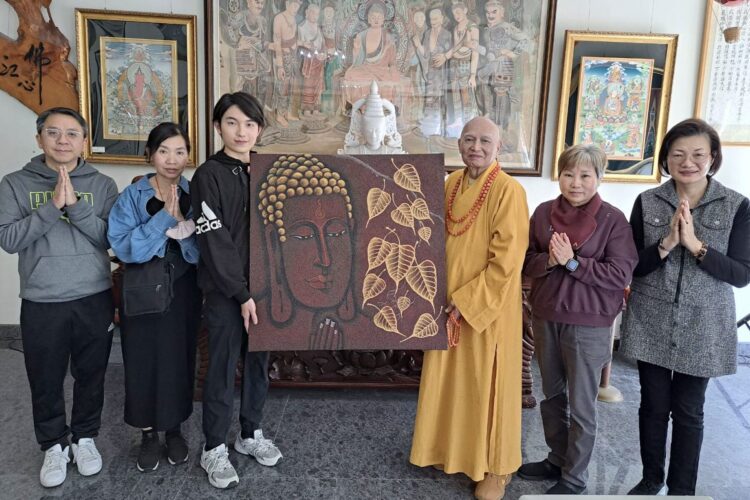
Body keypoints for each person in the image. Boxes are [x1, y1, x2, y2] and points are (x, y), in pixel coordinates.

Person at [620, 118, 750, 496]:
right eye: (677, 154)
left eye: (697, 154)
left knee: (689, 411)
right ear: (665, 159)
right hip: (651, 318)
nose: (687, 162)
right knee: (653, 406)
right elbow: (632, 266)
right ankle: (650, 479)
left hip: (704, 324)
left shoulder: (738, 206)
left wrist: (695, 245)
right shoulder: (647, 201)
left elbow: (741, 274)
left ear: (713, 157)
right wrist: (666, 244)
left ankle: (682, 490)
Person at [410, 116, 529, 500]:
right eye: (468, 140)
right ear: (459, 144)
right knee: (451, 382)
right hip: (446, 303)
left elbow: (507, 262)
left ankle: (496, 467)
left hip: (485, 308)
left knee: (485, 385)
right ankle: (450, 451)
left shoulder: (509, 191)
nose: (475, 147)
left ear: (499, 147)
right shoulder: (451, 184)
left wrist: (466, 301)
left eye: (484, 141)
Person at [0, 107, 118, 487]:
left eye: (71, 133)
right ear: (39, 139)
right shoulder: (15, 184)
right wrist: (51, 207)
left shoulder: (102, 184)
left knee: (92, 374)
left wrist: (76, 207)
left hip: (94, 295)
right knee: (45, 378)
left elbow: (111, 239)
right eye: (53, 132)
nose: (62, 140)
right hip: (42, 298)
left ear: (84, 141)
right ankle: (53, 444)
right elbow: (8, 239)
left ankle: (84, 438)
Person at [519, 144, 637, 494]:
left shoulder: (613, 219)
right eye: (568, 174)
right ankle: (556, 459)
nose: (575, 183)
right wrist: (549, 261)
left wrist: (572, 262)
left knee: (582, 404)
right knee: (551, 394)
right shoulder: (543, 213)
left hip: (589, 322)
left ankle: (574, 478)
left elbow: (620, 274)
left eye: (585, 175)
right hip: (546, 315)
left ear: (599, 177)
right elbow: (525, 261)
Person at [191, 92, 282, 489]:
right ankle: (213, 446)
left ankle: (250, 433)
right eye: (232, 122)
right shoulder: (208, 175)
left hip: (266, 290)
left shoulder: (269, 171)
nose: (241, 131)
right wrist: (241, 294)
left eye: (249, 124)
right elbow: (215, 241)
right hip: (226, 292)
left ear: (259, 129)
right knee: (222, 367)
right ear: (218, 127)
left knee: (259, 364)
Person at [107, 123, 201, 473]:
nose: (172, 159)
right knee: (142, 360)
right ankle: (148, 434)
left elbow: (202, 249)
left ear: (188, 155)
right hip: (142, 291)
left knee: (179, 359)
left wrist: (184, 228)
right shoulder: (132, 196)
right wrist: (164, 220)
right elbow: (124, 247)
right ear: (150, 155)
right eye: (164, 151)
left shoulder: (195, 193)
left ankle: (174, 429)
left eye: (179, 152)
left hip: (184, 291)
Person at [271, 0, 301, 127]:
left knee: (292, 85)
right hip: (282, 57)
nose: (296, 8)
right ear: (287, 3)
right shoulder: (279, 18)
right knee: (283, 86)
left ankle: (287, 112)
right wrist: (280, 66)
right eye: (294, 4)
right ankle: (279, 114)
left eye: (298, 5)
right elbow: (277, 42)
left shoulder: (294, 19)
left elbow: (294, 39)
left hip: (293, 56)